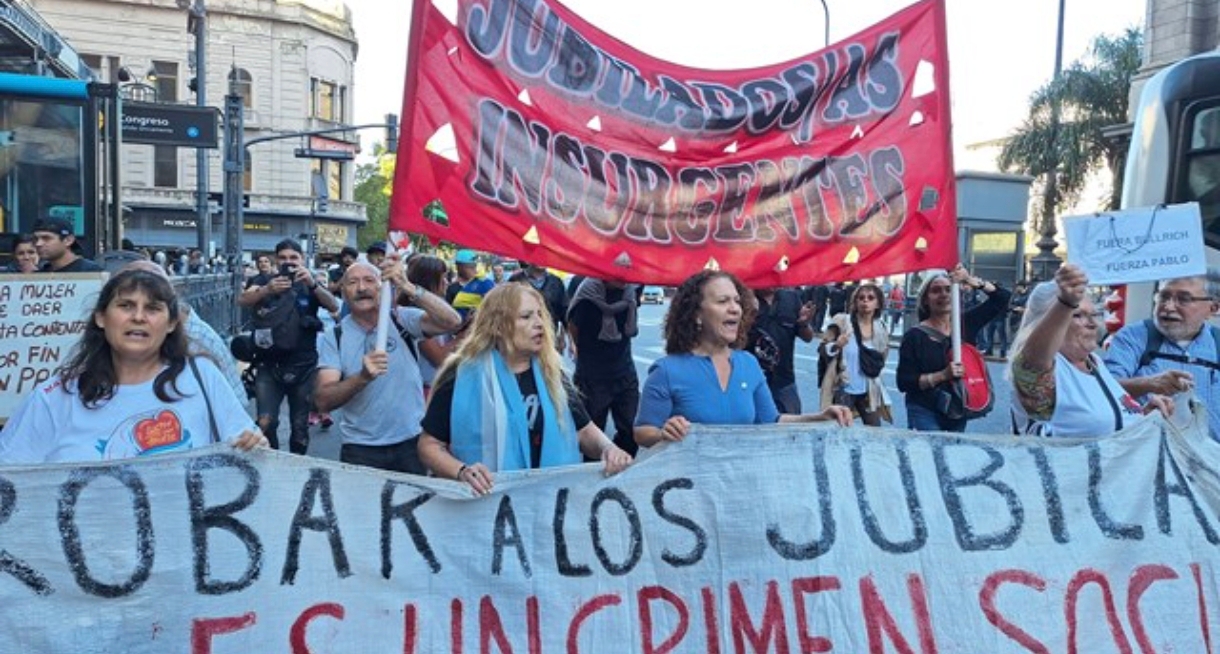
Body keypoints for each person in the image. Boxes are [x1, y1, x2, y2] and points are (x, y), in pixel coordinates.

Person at [0, 268, 266, 463]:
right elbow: (12, 480)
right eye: (126, 306)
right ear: (101, 318)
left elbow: (246, 456)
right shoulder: (55, 396)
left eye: (152, 308)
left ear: (172, 323)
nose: (138, 317)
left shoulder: (203, 377)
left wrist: (256, 447)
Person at [418, 283, 633, 495]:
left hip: (547, 504)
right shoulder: (462, 376)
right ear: (498, 325)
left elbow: (584, 430)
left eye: (540, 314)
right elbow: (429, 445)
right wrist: (462, 472)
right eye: (526, 316)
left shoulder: (552, 374)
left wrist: (609, 449)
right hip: (485, 508)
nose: (539, 323)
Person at [634, 271, 851, 447]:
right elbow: (643, 432)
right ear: (696, 315)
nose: (734, 308)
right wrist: (664, 433)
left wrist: (820, 417)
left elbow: (772, 420)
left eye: (737, 301)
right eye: (722, 301)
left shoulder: (748, 363)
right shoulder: (666, 371)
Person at [315, 259, 461, 473]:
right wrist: (362, 377)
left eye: (369, 280)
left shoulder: (402, 318)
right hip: (361, 448)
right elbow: (323, 400)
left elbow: (452, 321)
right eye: (353, 282)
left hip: (411, 441)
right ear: (344, 293)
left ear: (382, 287)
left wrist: (408, 286)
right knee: (363, 507)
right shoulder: (334, 337)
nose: (362, 288)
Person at [1010, 264, 1172, 437]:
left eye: (1093, 315)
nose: (1093, 324)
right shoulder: (1039, 368)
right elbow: (1034, 362)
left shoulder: (1093, 362)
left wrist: (1143, 417)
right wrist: (1065, 304)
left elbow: (1108, 421)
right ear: (1044, 322)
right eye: (1078, 315)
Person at [238, 238, 340, 454]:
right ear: (276, 260)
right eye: (283, 258)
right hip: (268, 365)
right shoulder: (264, 280)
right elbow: (243, 300)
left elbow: (333, 305)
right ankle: (273, 464)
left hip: (304, 366)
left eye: (293, 258)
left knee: (299, 428)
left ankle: (296, 471)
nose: (289, 262)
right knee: (266, 422)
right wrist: (267, 290)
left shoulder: (311, 283)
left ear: (302, 259)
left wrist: (312, 284)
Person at [1104, 270, 1220, 441]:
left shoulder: (1217, 343)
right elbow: (1104, 388)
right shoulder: (1134, 336)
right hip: (1152, 456)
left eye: (1183, 299)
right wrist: (1149, 384)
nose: (1168, 306)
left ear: (1213, 308)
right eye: (1164, 296)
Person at [896, 264, 1010, 432]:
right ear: (926, 300)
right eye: (936, 290)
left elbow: (1002, 298)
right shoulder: (914, 336)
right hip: (924, 409)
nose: (944, 294)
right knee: (932, 453)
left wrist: (969, 280)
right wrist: (942, 375)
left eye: (949, 289)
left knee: (952, 453)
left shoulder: (965, 324)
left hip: (957, 409)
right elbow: (904, 382)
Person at [567, 277, 641, 456]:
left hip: (624, 370)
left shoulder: (633, 286)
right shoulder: (583, 287)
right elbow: (573, 325)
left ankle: (623, 468)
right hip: (593, 375)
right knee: (593, 436)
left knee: (631, 431)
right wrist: (580, 350)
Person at [819, 283, 892, 425]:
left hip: (868, 389)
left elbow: (882, 356)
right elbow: (823, 348)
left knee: (874, 431)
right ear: (855, 302)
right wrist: (836, 345)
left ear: (878, 304)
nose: (865, 301)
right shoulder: (842, 322)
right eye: (861, 298)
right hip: (843, 387)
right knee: (840, 430)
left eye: (871, 298)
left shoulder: (881, 328)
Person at [745, 286, 814, 413]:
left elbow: (808, 337)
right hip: (751, 380)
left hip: (785, 380)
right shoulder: (745, 299)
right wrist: (750, 313)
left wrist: (803, 323)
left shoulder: (791, 298)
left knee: (790, 426)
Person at [511, 262, 568, 352]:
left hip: (550, 339)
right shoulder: (515, 281)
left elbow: (564, 313)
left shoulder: (556, 282)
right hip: (523, 340)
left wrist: (563, 336)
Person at [32, 217, 102, 273]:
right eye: (35, 239)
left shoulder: (91, 272)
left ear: (68, 240)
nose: (38, 244)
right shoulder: (40, 275)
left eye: (46, 238)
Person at [446, 249, 494, 322]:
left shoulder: (483, 284)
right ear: (459, 267)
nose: (474, 270)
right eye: (470, 266)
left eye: (474, 266)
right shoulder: (452, 289)